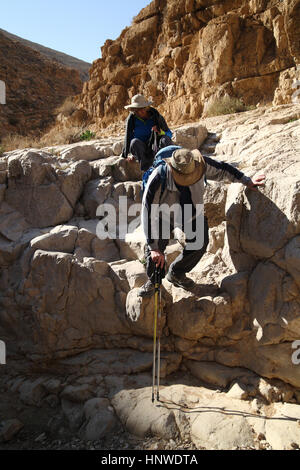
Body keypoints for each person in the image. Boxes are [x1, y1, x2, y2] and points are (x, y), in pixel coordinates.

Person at [138, 146, 265, 297]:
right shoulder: (158, 177)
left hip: (191, 214)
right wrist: (153, 247)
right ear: (173, 170)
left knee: (199, 244)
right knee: (156, 253)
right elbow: (147, 211)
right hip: (162, 216)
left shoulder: (200, 164)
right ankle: (154, 282)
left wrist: (247, 180)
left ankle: (176, 273)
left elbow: (223, 170)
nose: (189, 179)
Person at [121, 94, 174, 171]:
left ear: (146, 108)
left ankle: (169, 166)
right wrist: (129, 153)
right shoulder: (132, 119)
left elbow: (169, 134)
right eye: (136, 109)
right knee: (134, 142)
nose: (139, 112)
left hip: (156, 146)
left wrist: (160, 132)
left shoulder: (156, 117)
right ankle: (147, 169)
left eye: (142, 108)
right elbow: (129, 137)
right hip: (142, 148)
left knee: (165, 139)